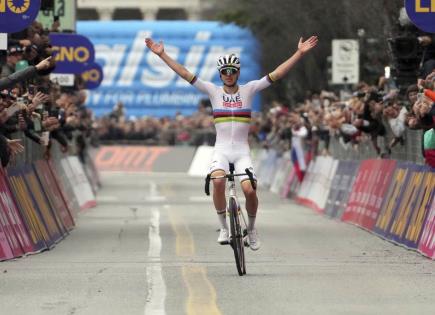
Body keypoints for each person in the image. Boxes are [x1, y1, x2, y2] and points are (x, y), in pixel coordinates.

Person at [145, 35, 318, 250]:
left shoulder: (250, 89)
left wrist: (299, 53)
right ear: (220, 74)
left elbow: (278, 74)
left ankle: (252, 229)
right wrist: (163, 55)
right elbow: (184, 73)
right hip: (222, 151)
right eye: (224, 72)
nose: (228, 75)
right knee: (218, 182)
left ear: (237, 73)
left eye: (232, 71)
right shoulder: (212, 91)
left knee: (249, 191)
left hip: (242, 152)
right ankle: (224, 227)